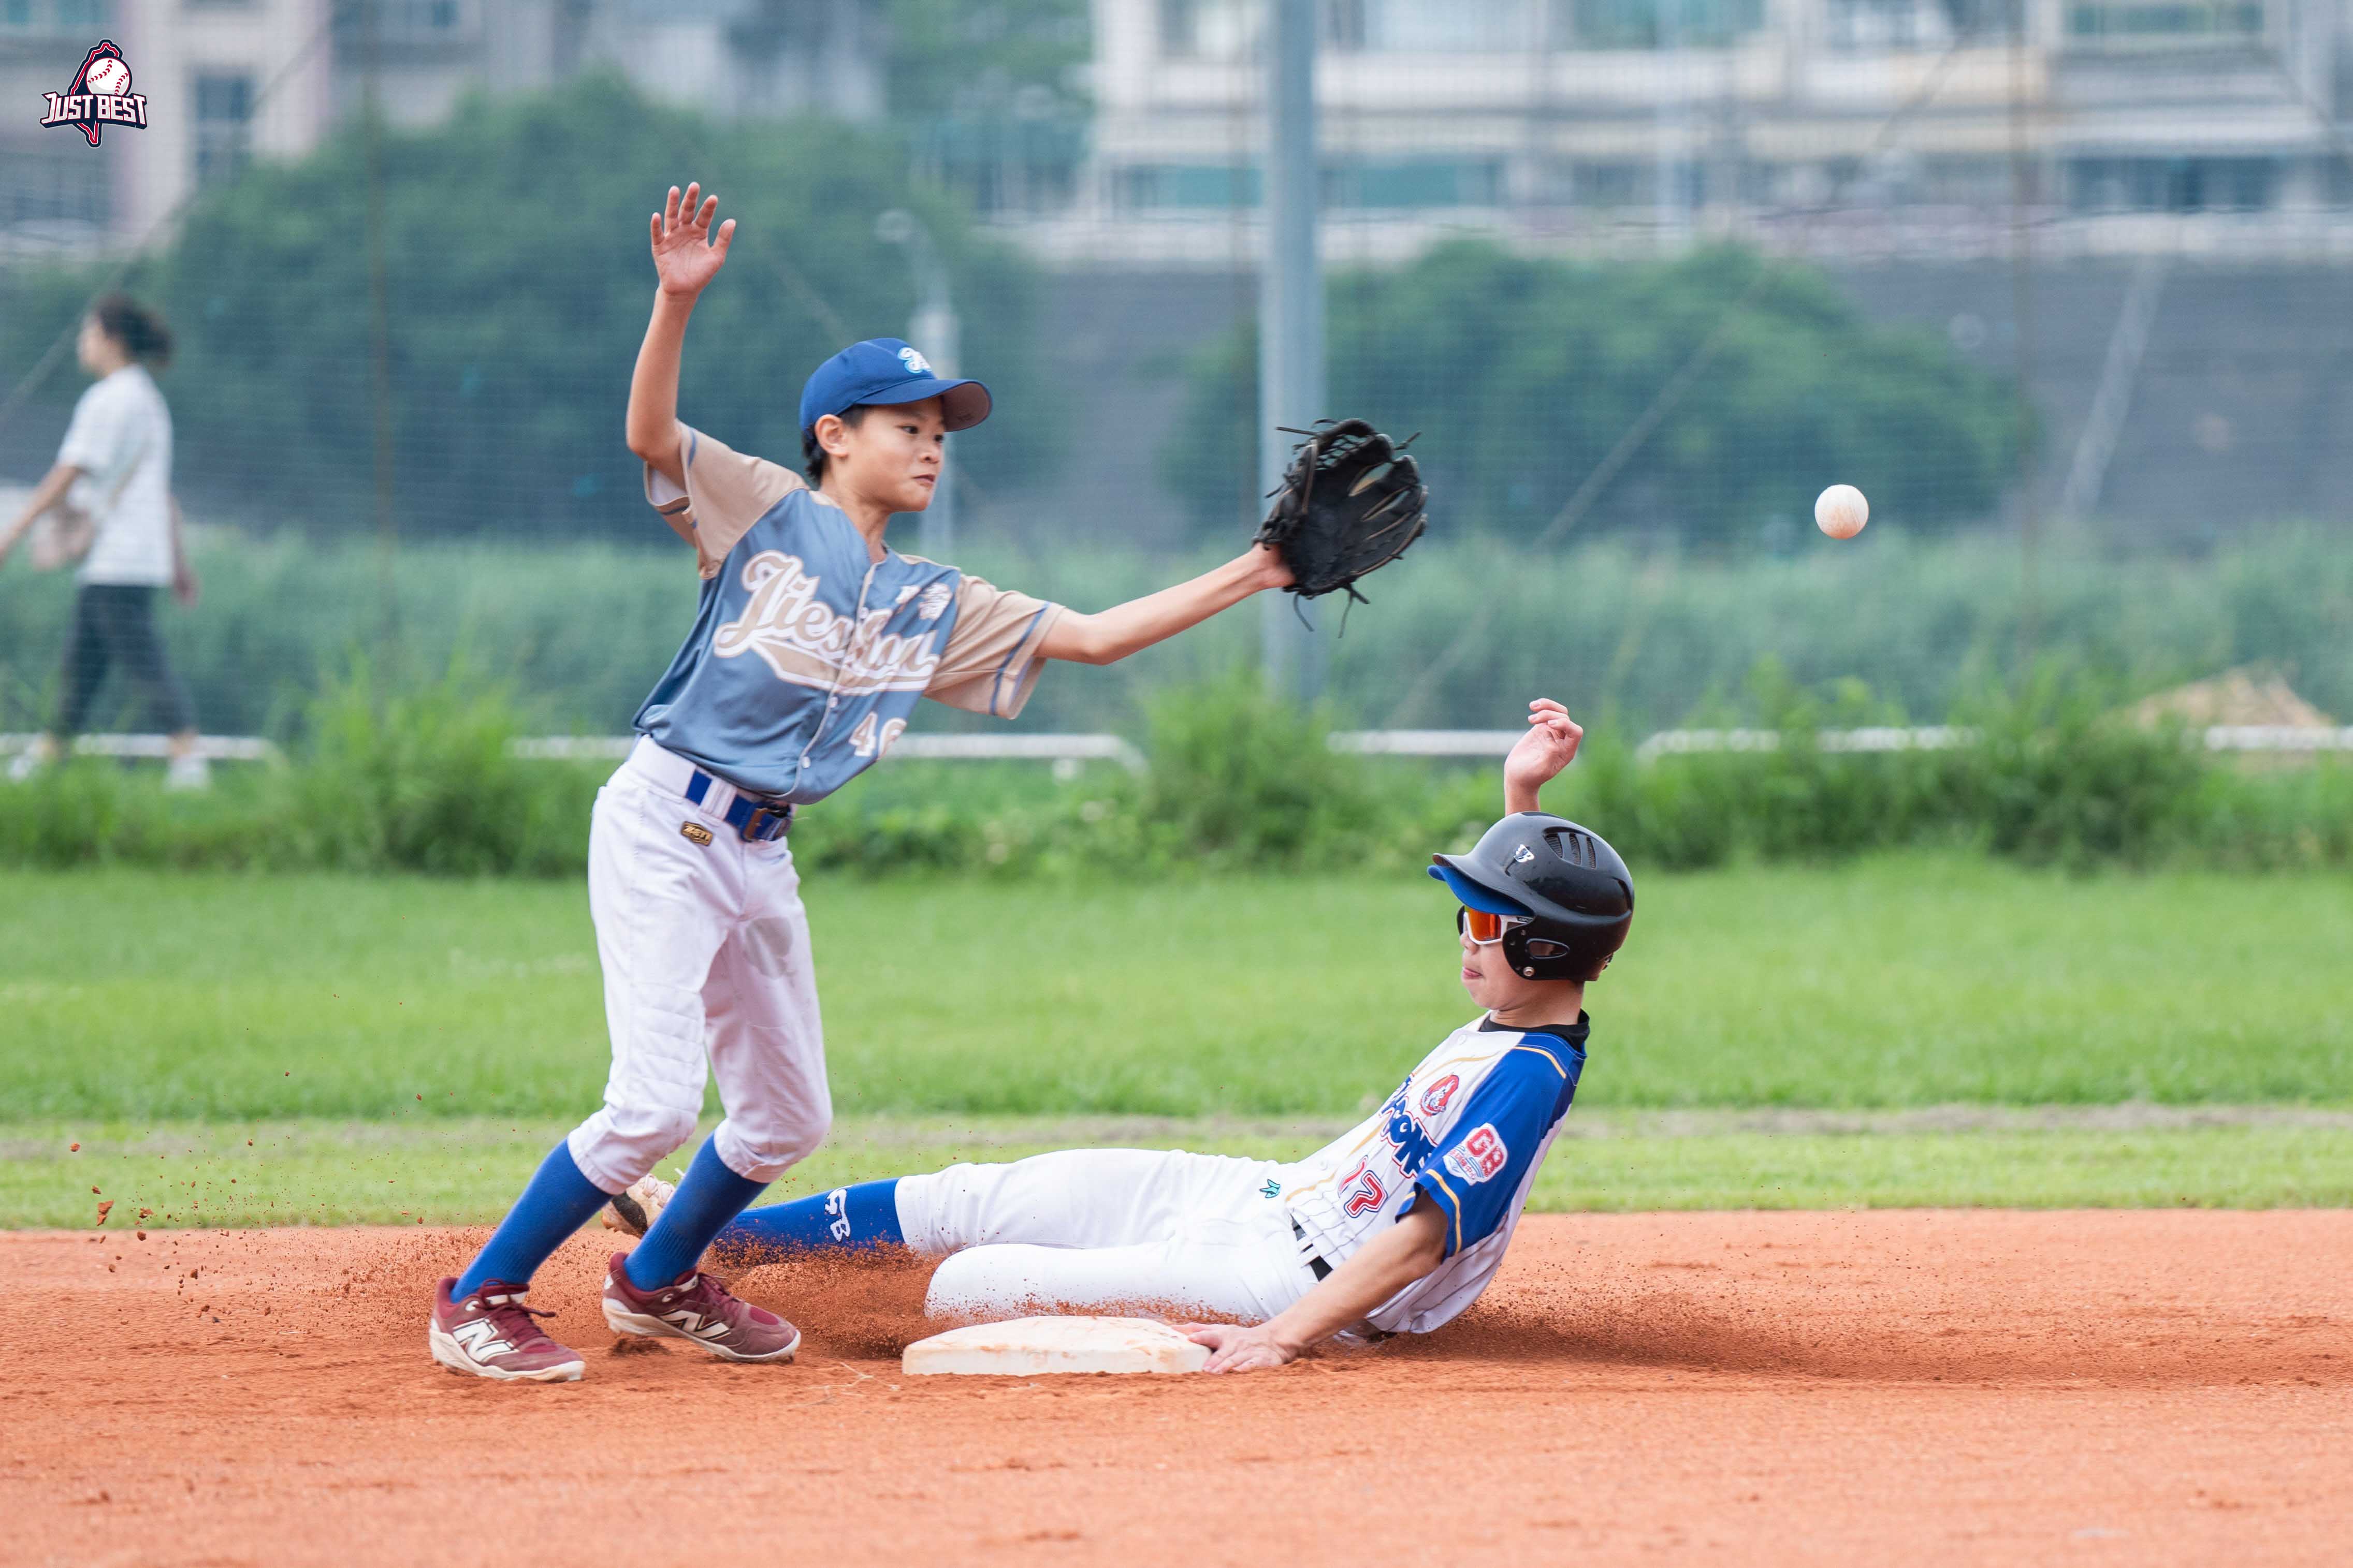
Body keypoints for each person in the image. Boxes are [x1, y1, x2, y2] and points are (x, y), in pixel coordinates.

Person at [427, 183, 1298, 1383]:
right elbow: (648, 433)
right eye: (906, 423)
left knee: (786, 1117)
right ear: (835, 434)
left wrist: (1259, 569)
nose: (933, 441)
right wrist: (675, 303)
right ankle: (479, 1293)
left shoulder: (934, 601)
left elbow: (1094, 635)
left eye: (943, 427)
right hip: (667, 819)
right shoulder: (769, 513)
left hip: (758, 849)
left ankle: (656, 1278)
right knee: (651, 1107)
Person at [604, 699, 1635, 1374]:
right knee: (976, 1192)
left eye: (1487, 922)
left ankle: (810, 1309)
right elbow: (1525, 906)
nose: (1463, 934)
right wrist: (1522, 794)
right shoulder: (1519, 1007)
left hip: (1285, 1280)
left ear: (1545, 952)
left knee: (981, 1282)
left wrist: (1279, 1335)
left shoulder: (1531, 1076)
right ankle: (712, 1240)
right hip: (1258, 1193)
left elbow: (1420, 1236)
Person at [0, 295, 206, 789]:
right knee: (83, 665)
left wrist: (14, 529)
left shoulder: (111, 399)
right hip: (128, 557)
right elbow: (160, 493)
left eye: (88, 334)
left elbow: (69, 472)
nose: (82, 344)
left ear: (111, 340)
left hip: (121, 558)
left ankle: (187, 757)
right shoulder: (148, 400)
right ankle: (49, 755)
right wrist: (178, 564)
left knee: (141, 659)